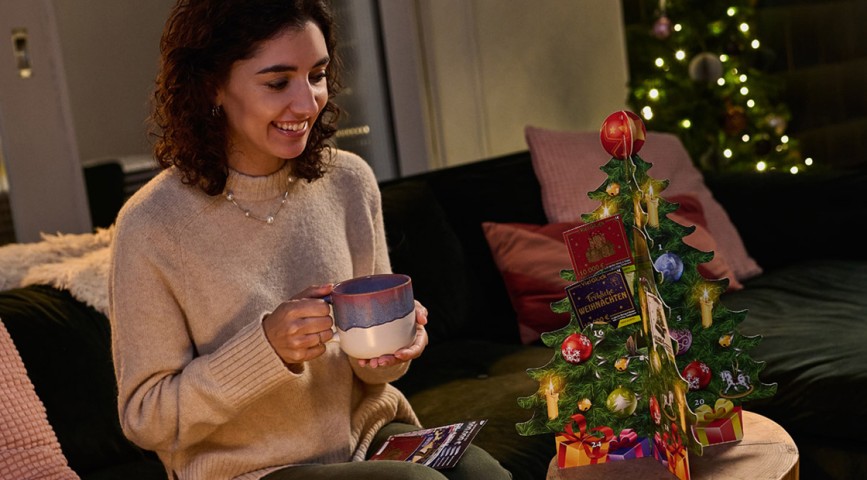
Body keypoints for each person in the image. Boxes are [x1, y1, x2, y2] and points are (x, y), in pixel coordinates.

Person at [108, 1, 512, 479]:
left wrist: (392, 348)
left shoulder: (348, 182)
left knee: (484, 474)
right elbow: (146, 418)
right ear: (211, 85)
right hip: (250, 469)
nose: (306, 103)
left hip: (362, 443)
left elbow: (374, 376)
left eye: (316, 75)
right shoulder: (152, 225)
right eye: (278, 82)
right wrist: (267, 349)